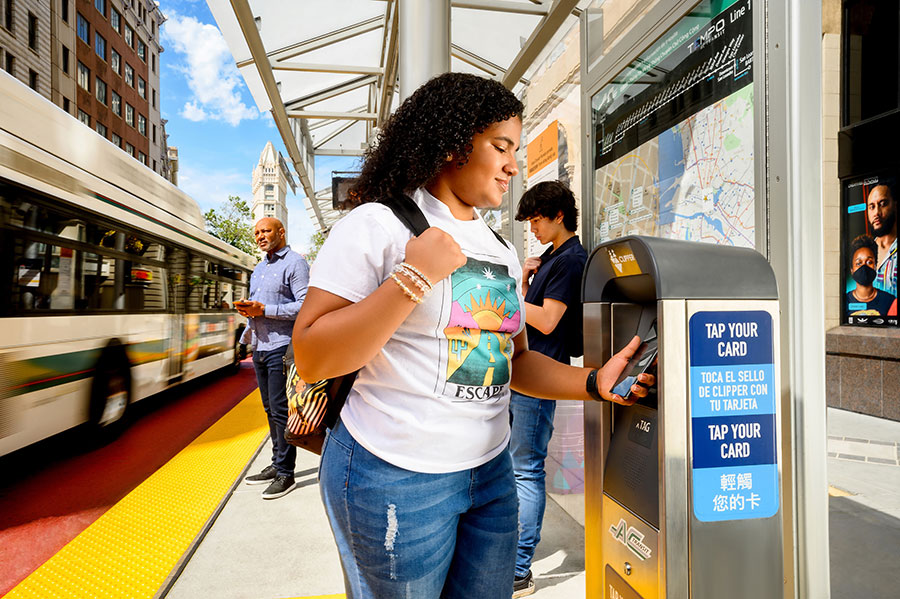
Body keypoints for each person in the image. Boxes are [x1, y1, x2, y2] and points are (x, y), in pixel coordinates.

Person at [292, 72, 653, 599]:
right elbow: (313, 354)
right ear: (452, 145)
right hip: (394, 474)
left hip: (489, 474)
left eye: (517, 149)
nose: (513, 164)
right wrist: (412, 279)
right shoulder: (378, 224)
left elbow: (513, 362)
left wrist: (594, 382)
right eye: (500, 146)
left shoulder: (500, 248)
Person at [508, 180, 587, 597]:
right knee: (514, 467)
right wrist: (522, 283)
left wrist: (503, 296)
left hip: (540, 379)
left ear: (559, 216)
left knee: (525, 468)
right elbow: (533, 316)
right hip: (524, 372)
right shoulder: (550, 257)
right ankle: (515, 558)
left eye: (537, 219)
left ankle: (520, 569)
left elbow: (549, 321)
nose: (532, 227)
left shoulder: (571, 260)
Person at [236, 217, 309, 500]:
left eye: (265, 231)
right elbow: (255, 311)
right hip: (260, 347)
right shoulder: (259, 268)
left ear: (281, 232)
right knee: (269, 408)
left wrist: (265, 310)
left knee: (280, 411)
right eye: (256, 232)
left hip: (282, 347)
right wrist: (244, 340)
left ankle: (285, 473)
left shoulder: (295, 263)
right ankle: (276, 462)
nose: (260, 236)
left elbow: (304, 306)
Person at [845, 234, 895, 317]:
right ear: (852, 270)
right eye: (858, 263)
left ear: (875, 266)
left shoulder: (890, 301)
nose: (864, 267)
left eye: (869, 262)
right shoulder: (843, 302)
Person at [866, 184, 897, 297]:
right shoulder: (865, 251)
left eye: (883, 204)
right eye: (872, 207)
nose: (876, 213)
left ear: (895, 205)